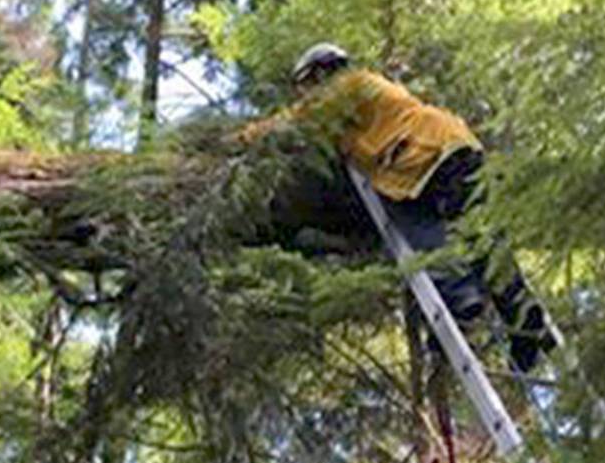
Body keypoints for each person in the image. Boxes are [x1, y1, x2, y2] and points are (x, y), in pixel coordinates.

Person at [235, 42, 556, 373]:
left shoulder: (347, 86)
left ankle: (460, 299)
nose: (303, 95)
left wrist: (243, 138)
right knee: (479, 237)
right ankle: (526, 325)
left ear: (320, 72)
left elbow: (297, 122)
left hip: (425, 157)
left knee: (420, 229)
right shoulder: (361, 99)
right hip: (445, 150)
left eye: (305, 86)